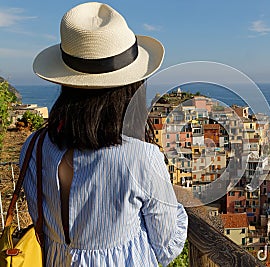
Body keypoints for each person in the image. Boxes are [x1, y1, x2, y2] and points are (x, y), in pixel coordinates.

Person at [20, 2, 188, 266]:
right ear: (130, 86)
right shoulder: (141, 158)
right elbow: (167, 246)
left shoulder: (35, 146)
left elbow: (40, 220)